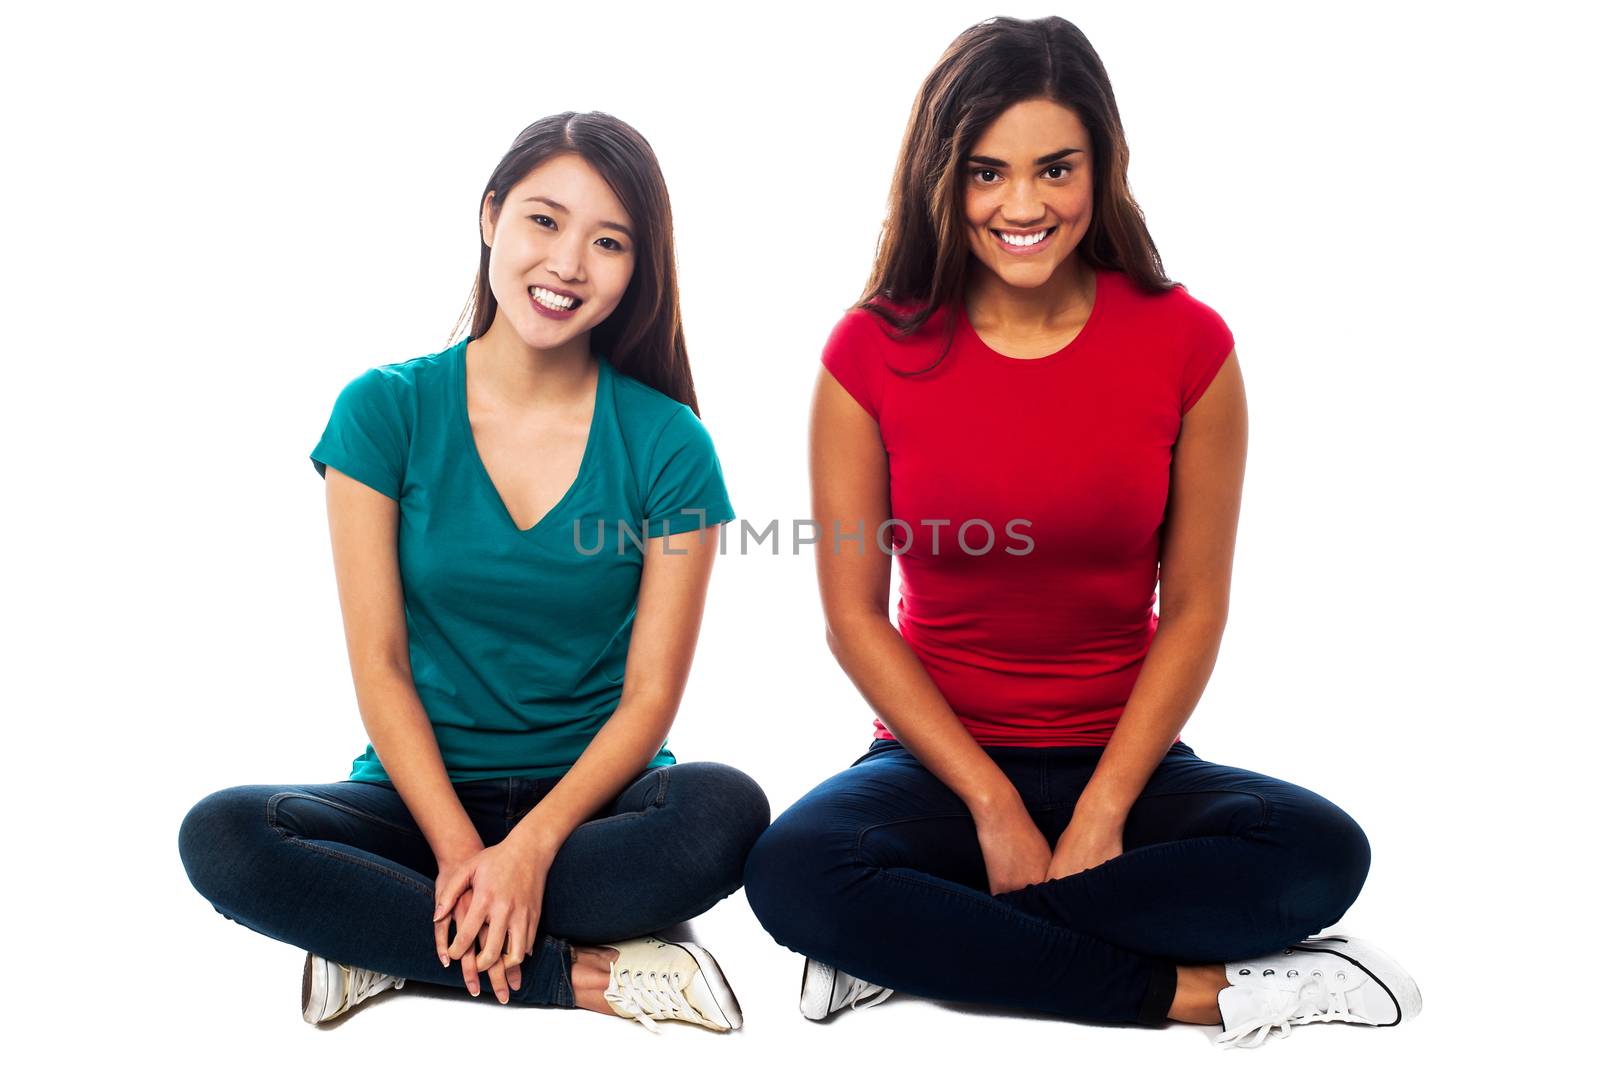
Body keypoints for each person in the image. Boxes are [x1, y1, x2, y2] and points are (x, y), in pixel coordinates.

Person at [741, 16, 1421, 1049]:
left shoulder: (1188, 346)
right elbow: (850, 619)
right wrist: (993, 807)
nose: (1022, 206)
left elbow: (1193, 608)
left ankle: (904, 939)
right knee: (792, 872)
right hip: (936, 770)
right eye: (985, 173)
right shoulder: (870, 350)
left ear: (1102, 167)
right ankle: (1209, 996)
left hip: (1126, 761)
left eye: (1054, 169)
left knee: (1322, 855)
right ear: (941, 177)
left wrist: (1101, 813)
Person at [178, 112, 768, 1034]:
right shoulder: (385, 411)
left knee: (725, 813)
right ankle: (589, 975)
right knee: (222, 836)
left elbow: (650, 697)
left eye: (608, 241)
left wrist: (529, 851)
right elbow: (379, 664)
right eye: (544, 220)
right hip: (413, 807)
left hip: (591, 810)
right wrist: (463, 850)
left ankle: (386, 935)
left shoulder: (671, 444)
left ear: (637, 267)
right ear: (491, 216)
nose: (568, 263)